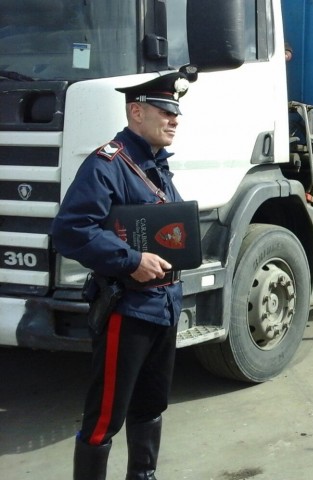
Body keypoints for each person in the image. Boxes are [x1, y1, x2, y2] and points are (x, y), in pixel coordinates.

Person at [51, 71, 192, 480]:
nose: (174, 120)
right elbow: (70, 230)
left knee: (151, 404)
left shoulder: (156, 166)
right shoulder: (107, 164)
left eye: (175, 113)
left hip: (164, 306)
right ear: (136, 112)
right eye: (165, 111)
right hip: (127, 310)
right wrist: (131, 260)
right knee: (104, 418)